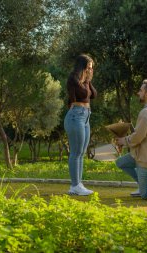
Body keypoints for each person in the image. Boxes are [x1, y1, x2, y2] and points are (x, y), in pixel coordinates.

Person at [64, 54, 97, 196]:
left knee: (81, 153)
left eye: (91, 68)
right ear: (82, 66)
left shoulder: (86, 81)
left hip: (86, 116)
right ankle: (75, 185)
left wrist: (89, 80)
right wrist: (85, 80)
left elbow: (93, 95)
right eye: (88, 67)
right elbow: (76, 97)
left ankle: (78, 184)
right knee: (76, 153)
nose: (90, 70)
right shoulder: (73, 79)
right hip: (76, 115)